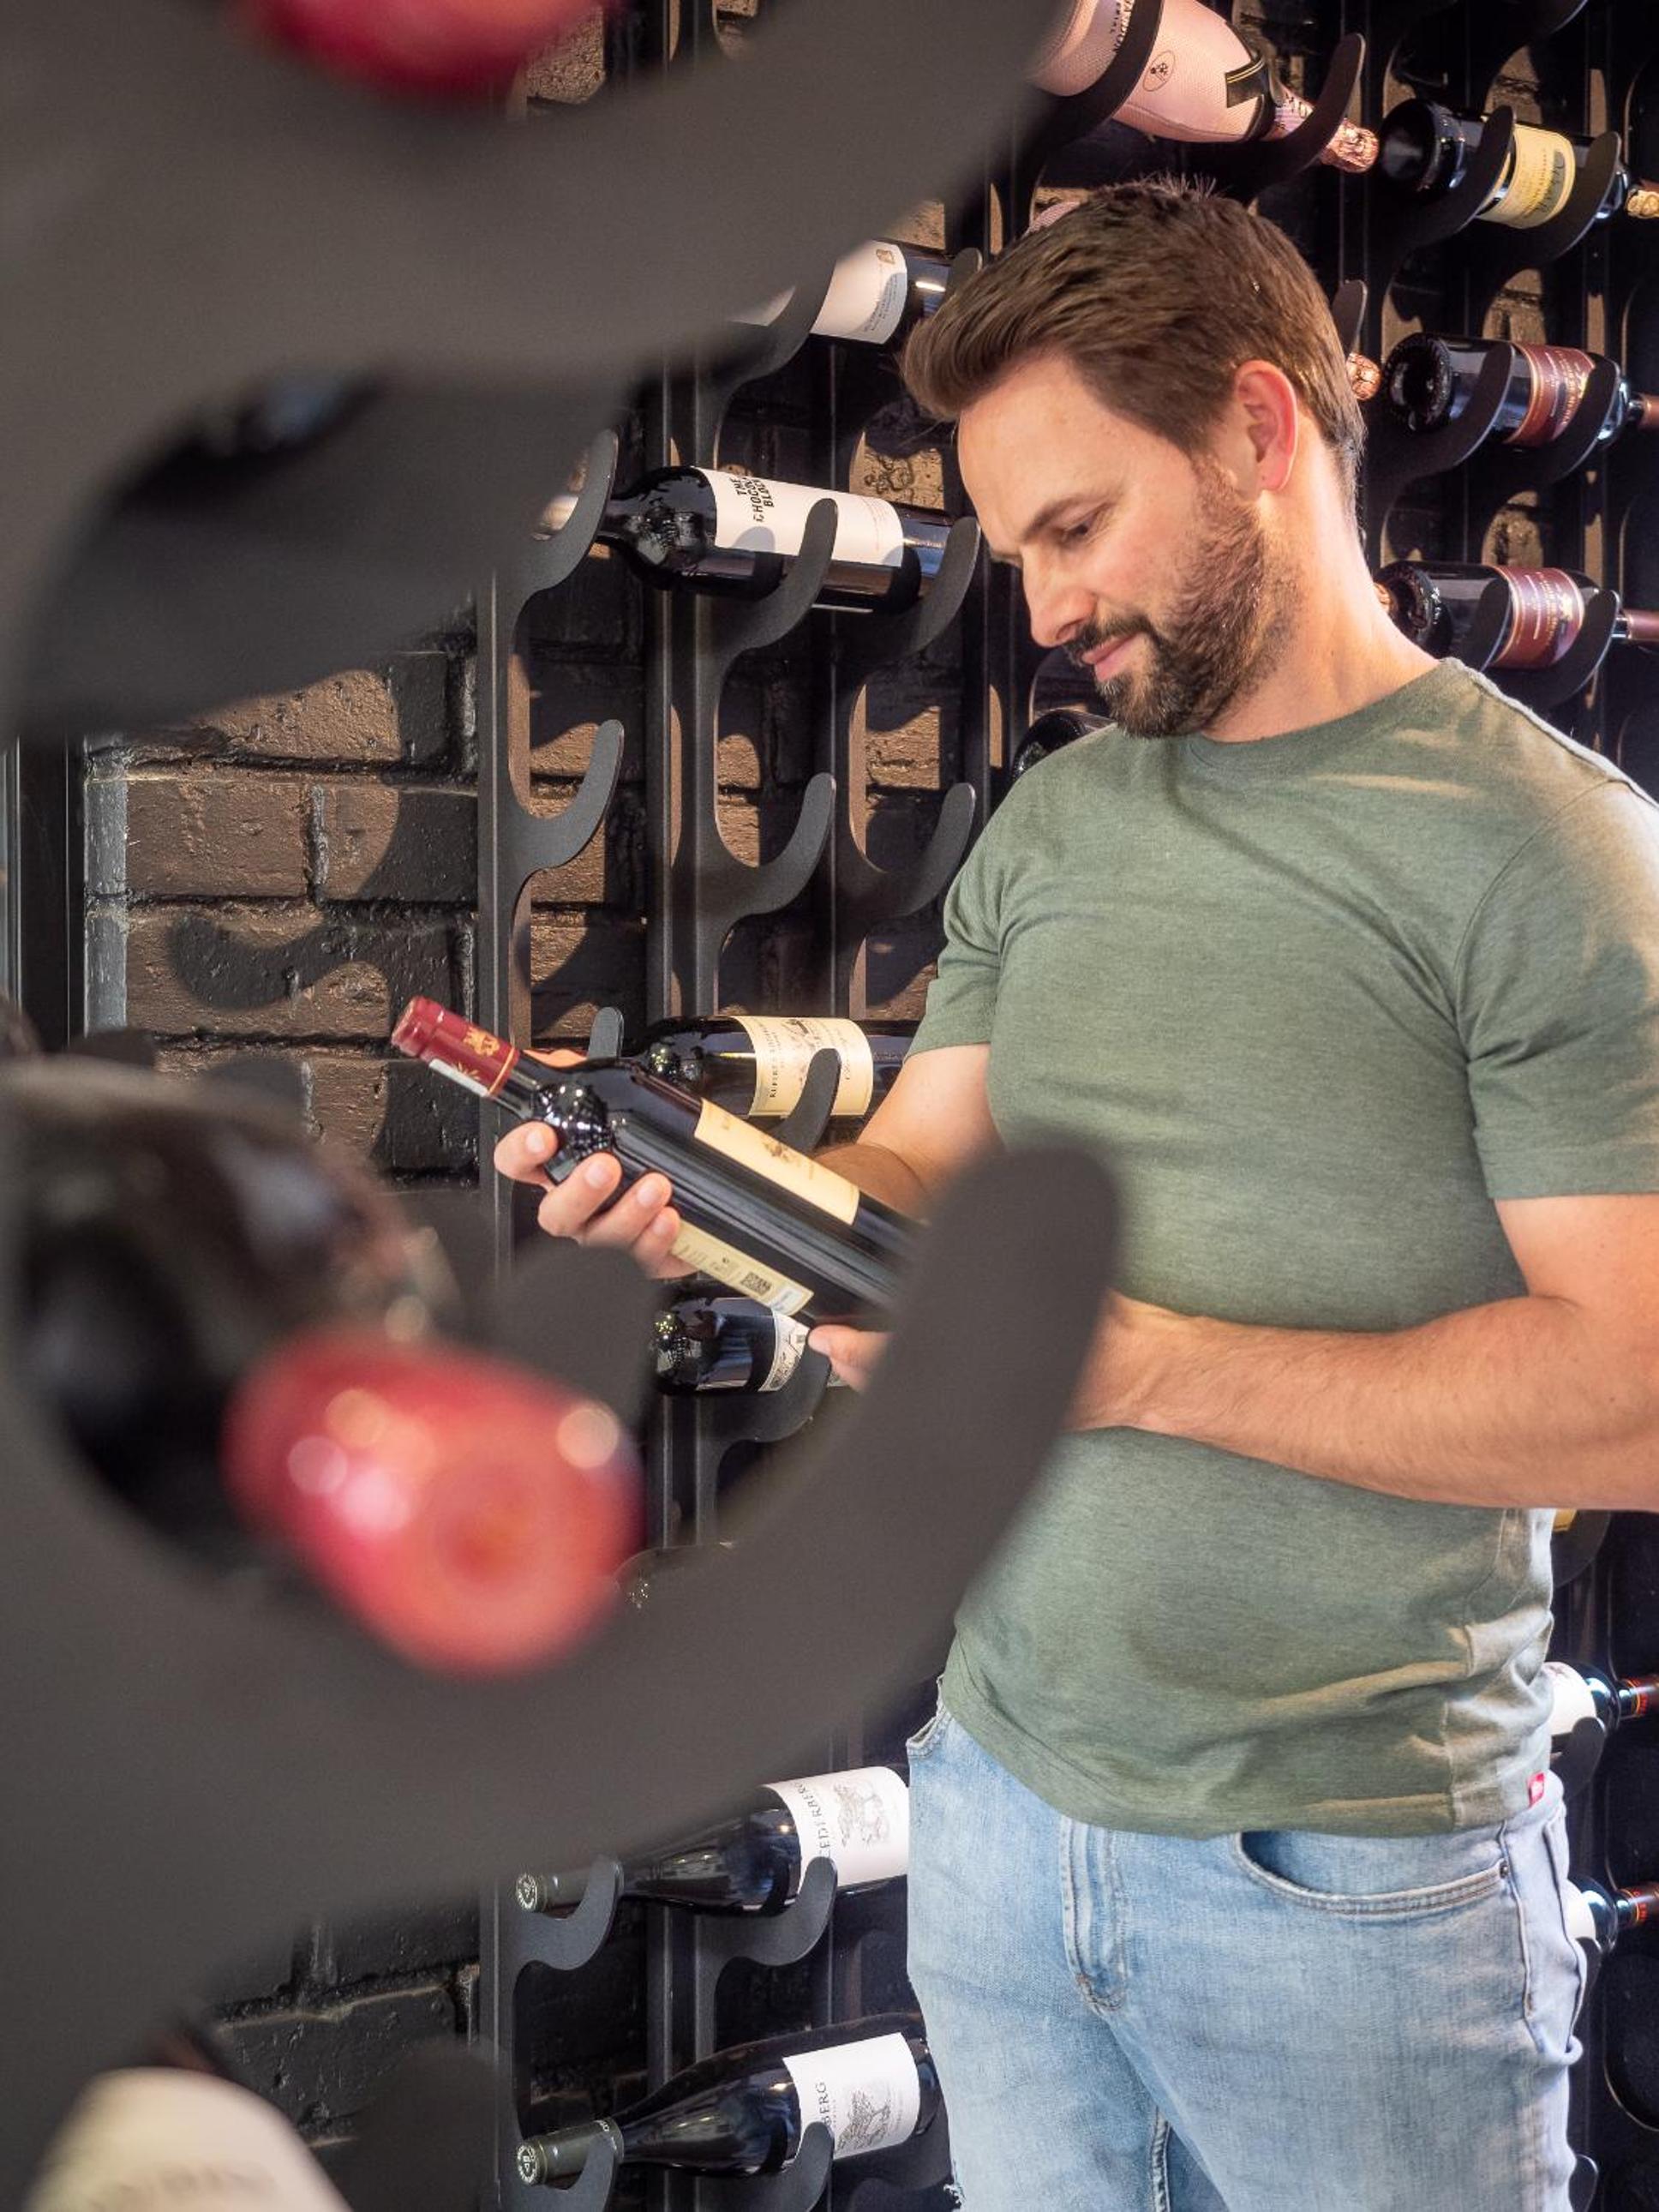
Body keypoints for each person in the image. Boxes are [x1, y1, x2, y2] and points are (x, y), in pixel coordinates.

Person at [493, 180, 1659, 2209]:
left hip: (1349, 1883)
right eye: (1014, 545)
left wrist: (1139, 1370)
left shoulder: (1545, 852)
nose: (1037, 610)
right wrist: (694, 1196)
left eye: (1073, 527)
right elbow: (912, 1173)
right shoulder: (1061, 816)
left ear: (1259, 427)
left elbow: (1628, 1398)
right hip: (1003, 1819)